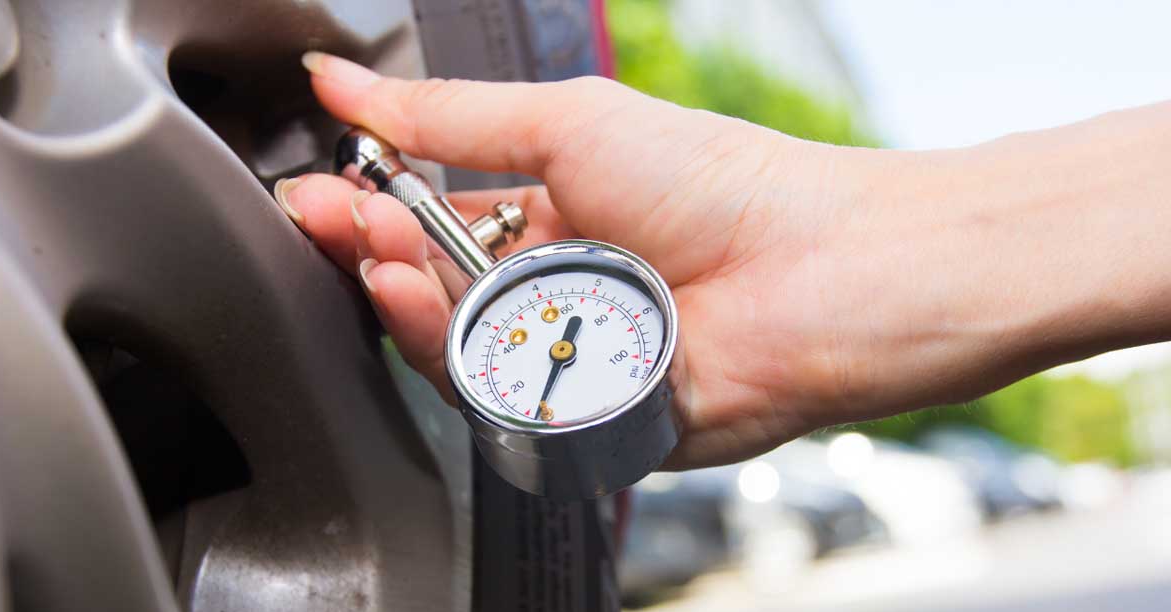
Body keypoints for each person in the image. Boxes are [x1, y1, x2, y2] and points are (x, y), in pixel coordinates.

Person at [275, 52, 1171, 470]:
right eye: (558, 344)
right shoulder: (548, 308)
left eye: (563, 338)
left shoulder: (562, 301)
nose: (556, 346)